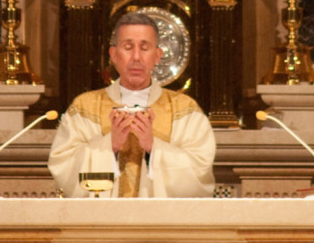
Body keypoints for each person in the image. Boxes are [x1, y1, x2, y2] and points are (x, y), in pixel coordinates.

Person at [48, 11, 216, 198]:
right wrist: (109, 145)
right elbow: (63, 168)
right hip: (102, 223)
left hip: (162, 223)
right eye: (128, 47)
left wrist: (153, 147)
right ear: (114, 54)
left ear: (157, 55)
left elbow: (200, 173)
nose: (136, 56)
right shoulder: (85, 107)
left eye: (145, 48)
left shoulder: (185, 110)